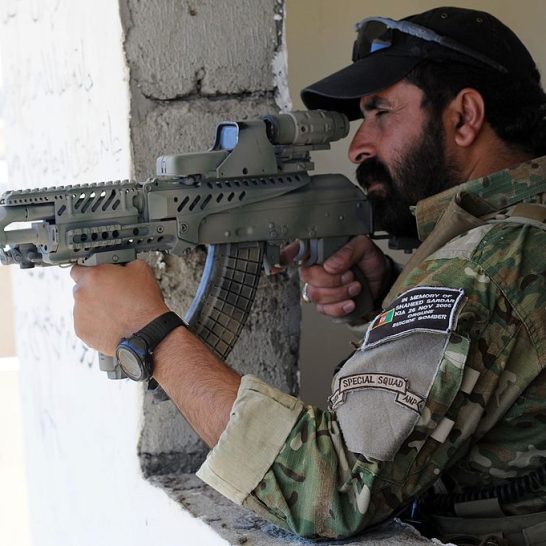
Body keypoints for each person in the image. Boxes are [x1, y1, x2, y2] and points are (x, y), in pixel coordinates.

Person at [70, 6, 546, 545]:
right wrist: (393, 291)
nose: (357, 146)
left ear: (464, 116)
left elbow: (329, 491)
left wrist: (150, 331)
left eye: (380, 112)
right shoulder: (519, 227)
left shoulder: (486, 262)